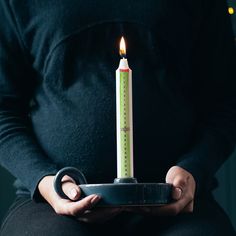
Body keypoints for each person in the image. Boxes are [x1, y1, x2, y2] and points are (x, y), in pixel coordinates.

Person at [0, 0, 235, 235]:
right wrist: (45, 181)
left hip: (178, 201)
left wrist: (193, 169)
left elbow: (226, 101)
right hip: (52, 202)